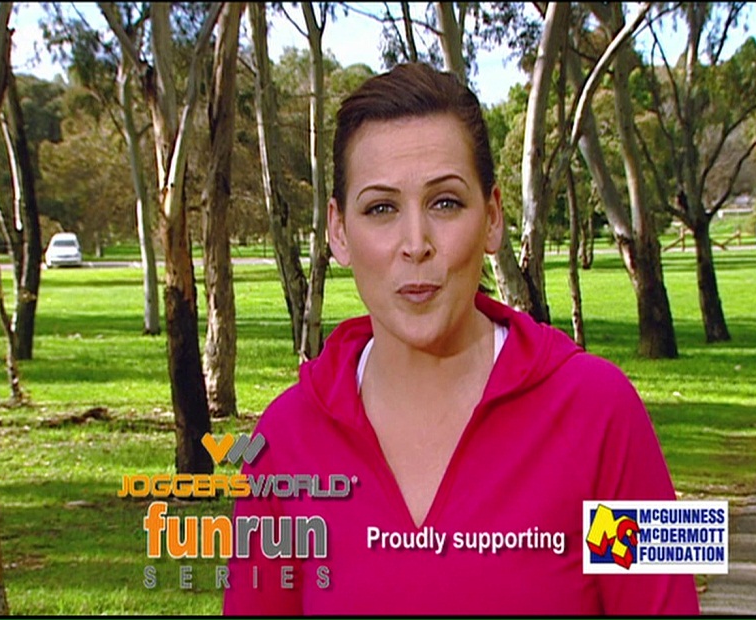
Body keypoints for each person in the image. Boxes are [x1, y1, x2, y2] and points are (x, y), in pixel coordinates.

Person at [223, 62, 700, 616]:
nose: (415, 243)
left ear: (492, 217)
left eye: (445, 202)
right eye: (381, 208)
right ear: (338, 231)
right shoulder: (281, 442)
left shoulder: (603, 409)